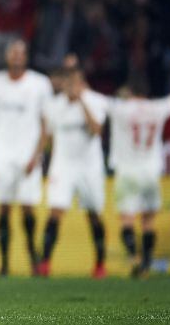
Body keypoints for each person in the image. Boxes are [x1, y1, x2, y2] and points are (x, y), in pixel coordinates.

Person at [0, 39, 52, 276]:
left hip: (28, 154)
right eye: (13, 52)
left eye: (21, 52)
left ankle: (32, 258)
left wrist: (37, 154)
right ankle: (4, 263)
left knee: (28, 208)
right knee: (3, 208)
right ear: (6, 57)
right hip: (2, 156)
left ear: (26, 56)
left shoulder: (39, 84)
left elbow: (47, 122)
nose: (16, 56)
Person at [109, 54, 170, 278]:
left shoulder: (120, 108)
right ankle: (146, 263)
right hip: (150, 171)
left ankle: (134, 257)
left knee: (127, 219)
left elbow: (89, 96)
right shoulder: (157, 107)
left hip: (127, 171)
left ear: (130, 90)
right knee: (148, 220)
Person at [38, 66, 109, 278]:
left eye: (76, 82)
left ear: (82, 82)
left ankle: (99, 264)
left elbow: (96, 130)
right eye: (68, 82)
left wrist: (82, 103)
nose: (72, 87)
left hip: (89, 167)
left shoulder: (95, 101)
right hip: (63, 165)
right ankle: (45, 263)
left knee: (93, 214)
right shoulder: (53, 106)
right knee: (55, 212)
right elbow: (47, 136)